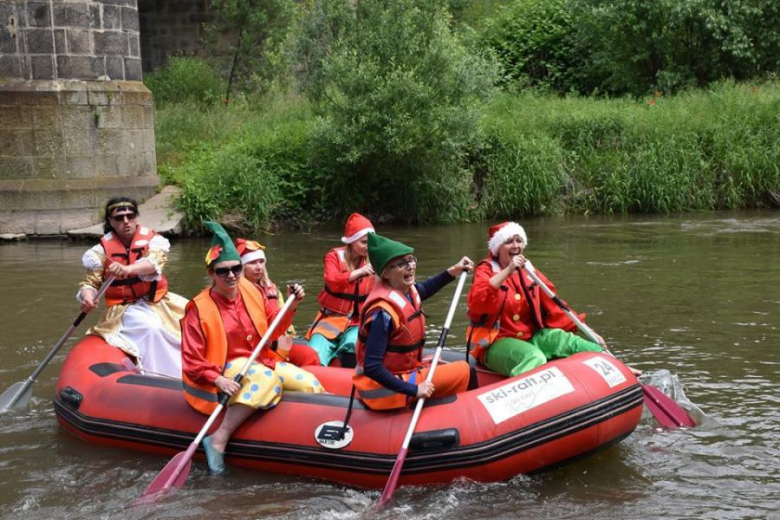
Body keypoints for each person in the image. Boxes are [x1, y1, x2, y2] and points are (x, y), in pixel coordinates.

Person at [181, 222, 324, 475]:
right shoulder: (198, 308)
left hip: (261, 359)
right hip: (225, 365)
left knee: (309, 382)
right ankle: (218, 439)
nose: (231, 276)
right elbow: (191, 360)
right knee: (267, 380)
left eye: (236, 269)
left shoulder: (252, 291)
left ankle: (317, 442)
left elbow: (274, 329)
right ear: (211, 273)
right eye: (223, 271)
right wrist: (218, 380)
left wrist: (292, 306)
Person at [466, 222, 605, 378]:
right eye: (508, 242)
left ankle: (617, 369)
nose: (515, 245)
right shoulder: (486, 270)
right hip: (495, 343)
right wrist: (508, 270)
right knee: (534, 357)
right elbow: (477, 302)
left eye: (519, 240)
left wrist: (587, 329)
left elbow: (555, 305)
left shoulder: (529, 271)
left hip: (532, 338)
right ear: (498, 248)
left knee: (572, 342)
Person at [353, 233, 474, 410]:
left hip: (403, 373)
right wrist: (414, 389)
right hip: (382, 389)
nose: (410, 267)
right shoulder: (382, 314)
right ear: (386, 273)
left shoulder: (406, 291)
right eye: (402, 264)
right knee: (463, 370)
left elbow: (426, 288)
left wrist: (452, 271)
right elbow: (372, 367)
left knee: (439, 361)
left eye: (411, 260)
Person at [77, 197, 187, 378]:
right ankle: (167, 376)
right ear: (111, 222)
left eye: (130, 216)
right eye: (119, 218)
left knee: (194, 315)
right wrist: (88, 296)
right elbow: (90, 283)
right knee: (153, 328)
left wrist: (127, 269)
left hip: (157, 301)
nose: (126, 222)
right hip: (124, 307)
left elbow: (154, 263)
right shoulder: (99, 252)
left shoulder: (154, 240)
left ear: (137, 217)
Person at [235, 238, 320, 367]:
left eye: (261, 262)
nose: (259, 267)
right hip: (255, 349)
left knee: (309, 355)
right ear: (242, 267)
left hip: (278, 342)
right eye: (252, 263)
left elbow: (279, 321)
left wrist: (293, 304)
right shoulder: (236, 292)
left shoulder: (271, 288)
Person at [306, 213, 376, 366]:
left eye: (370, 242)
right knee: (315, 352)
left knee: (352, 346)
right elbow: (331, 281)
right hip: (331, 318)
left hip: (359, 321)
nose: (368, 246)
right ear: (351, 241)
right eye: (364, 242)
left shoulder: (375, 258)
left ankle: (346, 378)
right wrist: (359, 272)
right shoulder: (334, 256)